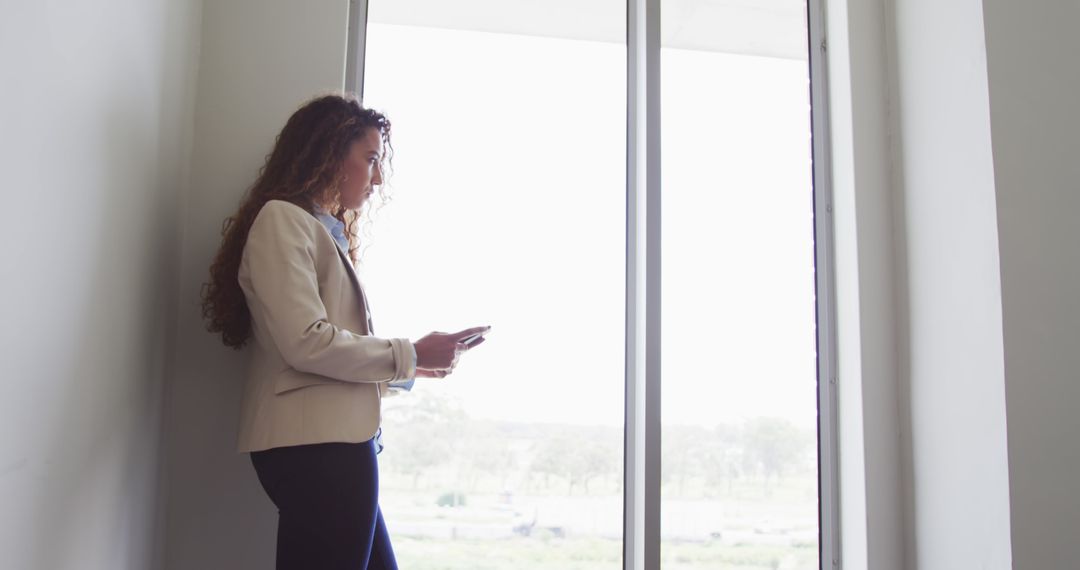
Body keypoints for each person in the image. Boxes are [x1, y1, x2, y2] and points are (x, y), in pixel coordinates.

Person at [200, 93, 489, 569]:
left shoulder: (318, 229)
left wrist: (412, 367)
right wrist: (410, 353)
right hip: (317, 450)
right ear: (330, 153)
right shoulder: (283, 220)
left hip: (332, 446)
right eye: (371, 159)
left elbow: (318, 355)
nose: (378, 177)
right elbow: (305, 343)